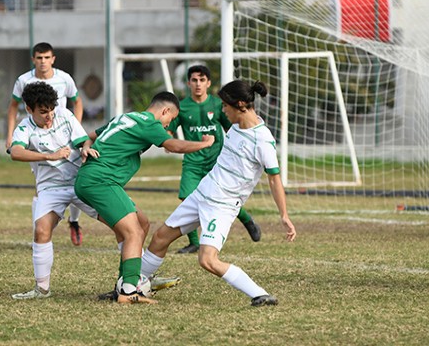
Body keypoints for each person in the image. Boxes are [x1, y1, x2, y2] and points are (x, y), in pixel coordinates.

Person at [139, 80, 297, 307]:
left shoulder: (262, 140)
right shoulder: (235, 127)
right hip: (201, 193)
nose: (222, 110)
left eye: (225, 105)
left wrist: (284, 215)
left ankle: (260, 294)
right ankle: (134, 284)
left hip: (221, 206)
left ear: (240, 104)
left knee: (207, 260)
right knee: (160, 238)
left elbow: (274, 179)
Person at [75, 91, 215, 304]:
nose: (168, 126)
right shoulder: (150, 124)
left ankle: (124, 283)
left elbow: (89, 136)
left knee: (142, 222)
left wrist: (86, 147)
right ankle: (130, 292)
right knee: (133, 232)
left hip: (94, 180)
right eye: (171, 119)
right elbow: (174, 145)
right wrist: (204, 144)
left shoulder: (126, 117)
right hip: (100, 181)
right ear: (165, 110)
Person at [9, 82, 99, 300]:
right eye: (42, 112)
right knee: (41, 230)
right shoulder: (24, 128)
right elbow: (16, 152)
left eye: (51, 110)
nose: (49, 116)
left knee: (120, 222)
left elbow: (82, 140)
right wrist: (49, 155)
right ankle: (42, 289)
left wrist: (86, 148)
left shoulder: (64, 115)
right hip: (51, 188)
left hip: (80, 182)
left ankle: (142, 276)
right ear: (29, 110)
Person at [169, 65, 262, 254]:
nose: (198, 84)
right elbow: (169, 129)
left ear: (208, 83)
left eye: (202, 80)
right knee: (186, 197)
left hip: (217, 162)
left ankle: (245, 218)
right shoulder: (183, 106)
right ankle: (194, 241)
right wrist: (167, 138)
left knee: (224, 199)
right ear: (188, 83)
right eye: (194, 80)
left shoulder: (218, 104)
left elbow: (233, 127)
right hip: (193, 162)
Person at [6, 42, 86, 247]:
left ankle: (74, 221)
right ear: (34, 59)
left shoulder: (64, 79)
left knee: (77, 174)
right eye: (39, 58)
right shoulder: (23, 80)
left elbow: (77, 102)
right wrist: (10, 136)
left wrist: (75, 127)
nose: (43, 62)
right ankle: (40, 231)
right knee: (44, 179)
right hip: (37, 138)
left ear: (53, 59)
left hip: (64, 132)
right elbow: (13, 108)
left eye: (46, 57)